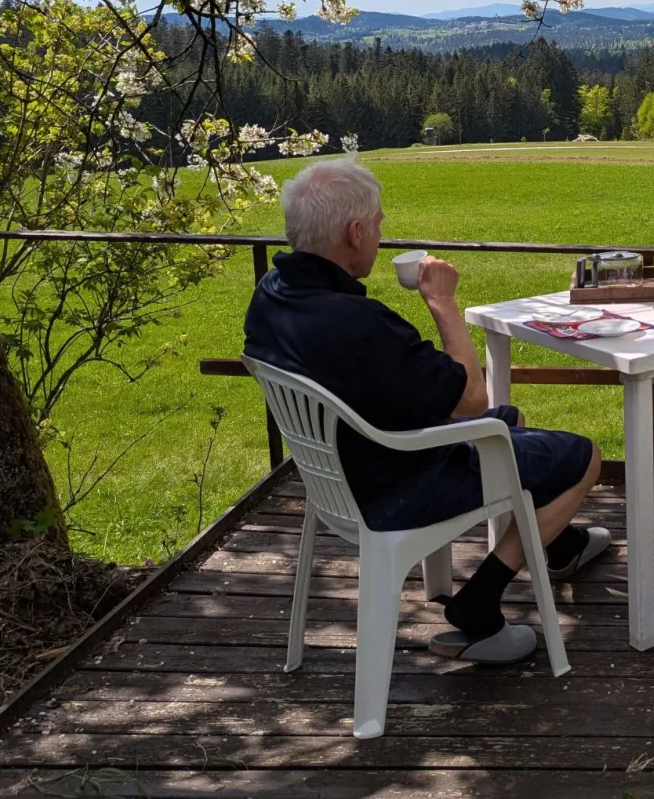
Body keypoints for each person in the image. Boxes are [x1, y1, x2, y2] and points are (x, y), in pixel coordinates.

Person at [243, 158, 609, 665]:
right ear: (354, 233)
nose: (379, 234)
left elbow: (398, 389)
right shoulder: (360, 324)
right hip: (395, 485)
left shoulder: (272, 296)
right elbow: (470, 399)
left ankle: (560, 543)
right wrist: (442, 302)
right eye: (377, 225)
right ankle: (479, 605)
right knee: (582, 456)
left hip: (341, 472)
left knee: (511, 422)